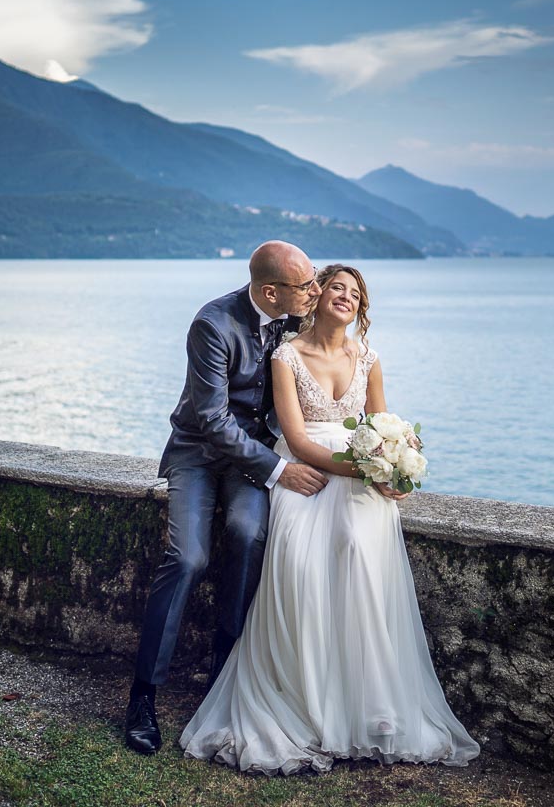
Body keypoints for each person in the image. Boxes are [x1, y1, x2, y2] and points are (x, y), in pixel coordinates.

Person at [177, 263, 480, 773]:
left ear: (362, 308)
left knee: (361, 555)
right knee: (301, 563)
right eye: (336, 287)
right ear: (315, 297)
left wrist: (393, 471)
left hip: (359, 482)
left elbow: (384, 424)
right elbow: (295, 439)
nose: (345, 296)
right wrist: (361, 468)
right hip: (309, 472)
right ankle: (305, 703)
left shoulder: (369, 358)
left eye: (355, 293)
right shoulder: (286, 356)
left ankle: (370, 711)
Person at [125, 241, 329, 756]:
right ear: (269, 291)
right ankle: (143, 696)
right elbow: (212, 420)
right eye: (305, 285)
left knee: (247, 532)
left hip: (251, 457)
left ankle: (225, 677)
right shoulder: (212, 324)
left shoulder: (295, 316)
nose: (314, 291)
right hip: (198, 453)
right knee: (188, 557)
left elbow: (330, 364)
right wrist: (281, 469)